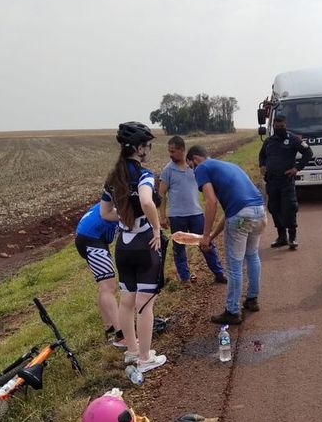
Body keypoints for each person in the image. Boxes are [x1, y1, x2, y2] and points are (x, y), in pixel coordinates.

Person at [100, 122, 167, 374]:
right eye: (147, 146)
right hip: (144, 243)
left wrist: (125, 216)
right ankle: (145, 357)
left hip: (123, 246)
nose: (148, 150)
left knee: (126, 301)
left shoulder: (112, 178)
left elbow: (105, 213)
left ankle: (130, 351)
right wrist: (157, 228)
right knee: (145, 304)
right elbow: (147, 201)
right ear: (139, 149)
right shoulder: (144, 174)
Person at [186, 145, 266, 325]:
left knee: (234, 266)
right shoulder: (228, 166)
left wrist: (205, 235)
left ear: (195, 159)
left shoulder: (202, 168)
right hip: (259, 212)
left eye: (191, 166)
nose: (193, 171)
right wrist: (212, 236)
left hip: (241, 216)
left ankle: (232, 310)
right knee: (252, 256)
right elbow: (230, 212)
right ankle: (252, 299)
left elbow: (211, 202)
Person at [158, 135, 227, 285]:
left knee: (206, 243)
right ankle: (185, 278)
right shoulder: (167, 170)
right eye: (169, 151)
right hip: (177, 216)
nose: (171, 154)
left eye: (173, 151)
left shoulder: (194, 168)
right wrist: (163, 216)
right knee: (179, 248)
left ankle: (219, 273)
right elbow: (161, 193)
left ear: (182, 150)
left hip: (196, 214)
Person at [75, 201, 125, 348]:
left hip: (90, 238)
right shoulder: (120, 205)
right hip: (91, 240)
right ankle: (120, 334)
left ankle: (109, 327)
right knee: (109, 287)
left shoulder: (111, 199)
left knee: (104, 287)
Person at [258, 113, 313, 249]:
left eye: (281, 126)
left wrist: (297, 168)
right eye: (277, 127)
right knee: (274, 208)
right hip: (272, 182)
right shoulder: (269, 141)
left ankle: (292, 238)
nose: (279, 129)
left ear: (285, 125)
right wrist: (262, 166)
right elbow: (262, 155)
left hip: (286, 181)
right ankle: (281, 237)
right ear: (273, 126)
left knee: (289, 208)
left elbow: (308, 153)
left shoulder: (293, 139)